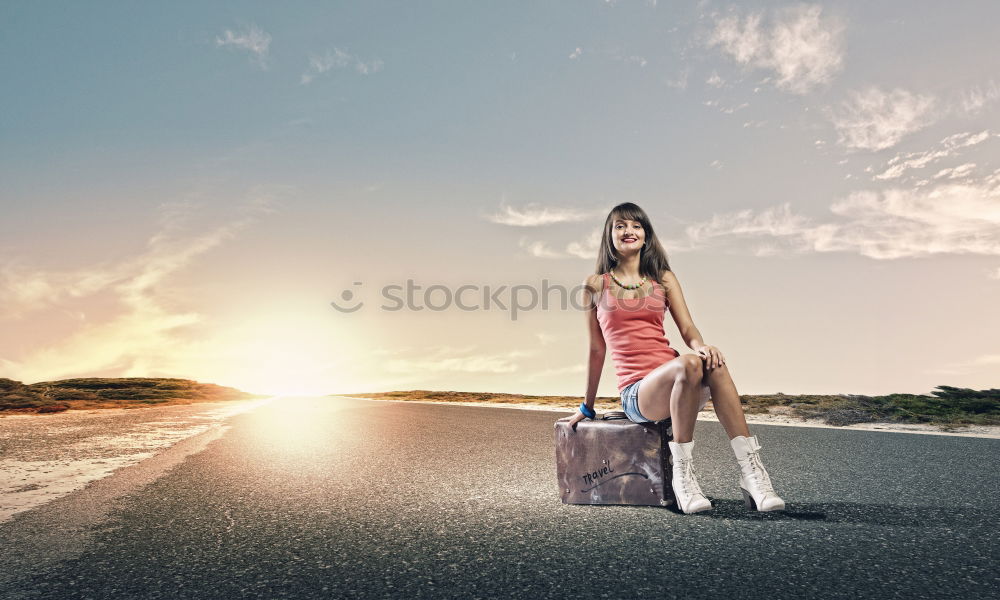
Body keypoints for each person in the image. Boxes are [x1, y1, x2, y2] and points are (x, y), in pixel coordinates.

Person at [568, 202, 786, 514]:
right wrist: (586, 406)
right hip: (639, 393)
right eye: (620, 226)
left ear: (646, 235)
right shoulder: (595, 285)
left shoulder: (664, 279)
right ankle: (683, 476)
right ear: (609, 236)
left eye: (636, 226)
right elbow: (596, 349)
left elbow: (687, 327)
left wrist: (701, 345)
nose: (629, 231)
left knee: (711, 361)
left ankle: (753, 474)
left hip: (682, 380)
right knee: (688, 363)